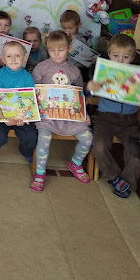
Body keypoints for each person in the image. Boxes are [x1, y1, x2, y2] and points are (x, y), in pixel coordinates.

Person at [88, 34, 140, 199]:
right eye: (116, 55)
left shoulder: (139, 76)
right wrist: (91, 87)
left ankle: (128, 183)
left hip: (129, 122)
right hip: (104, 119)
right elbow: (89, 93)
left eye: (125, 57)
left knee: (135, 153)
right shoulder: (102, 71)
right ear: (109, 54)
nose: (120, 60)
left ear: (132, 57)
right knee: (99, 146)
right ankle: (113, 177)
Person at [31, 31, 92, 192]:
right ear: (47, 49)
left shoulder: (75, 70)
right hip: (47, 116)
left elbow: (79, 95)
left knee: (88, 138)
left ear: (69, 48)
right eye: (52, 50)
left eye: (61, 49)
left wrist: (85, 114)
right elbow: (33, 91)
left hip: (70, 116)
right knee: (43, 138)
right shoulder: (41, 67)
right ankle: (40, 173)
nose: (56, 54)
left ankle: (75, 163)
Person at [0, 41, 38, 165]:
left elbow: (30, 101)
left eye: (17, 55)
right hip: (3, 117)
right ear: (3, 59)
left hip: (22, 116)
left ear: (24, 58)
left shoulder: (28, 77)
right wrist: (5, 119)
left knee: (31, 136)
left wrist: (24, 118)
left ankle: (26, 151)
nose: (14, 59)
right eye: (9, 56)